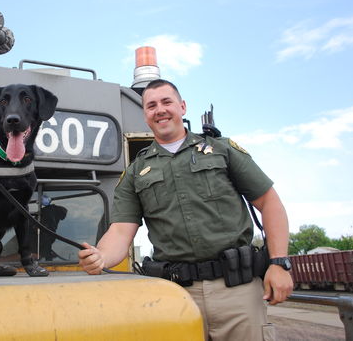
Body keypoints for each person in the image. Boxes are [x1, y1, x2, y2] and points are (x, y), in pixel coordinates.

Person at [78, 79, 293, 341]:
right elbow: (121, 231)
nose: (160, 110)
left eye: (167, 102)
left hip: (238, 293)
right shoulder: (135, 172)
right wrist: (100, 256)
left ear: (182, 107)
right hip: (176, 297)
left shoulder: (222, 150)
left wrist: (279, 263)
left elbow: (269, 203)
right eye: (151, 105)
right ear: (145, 115)